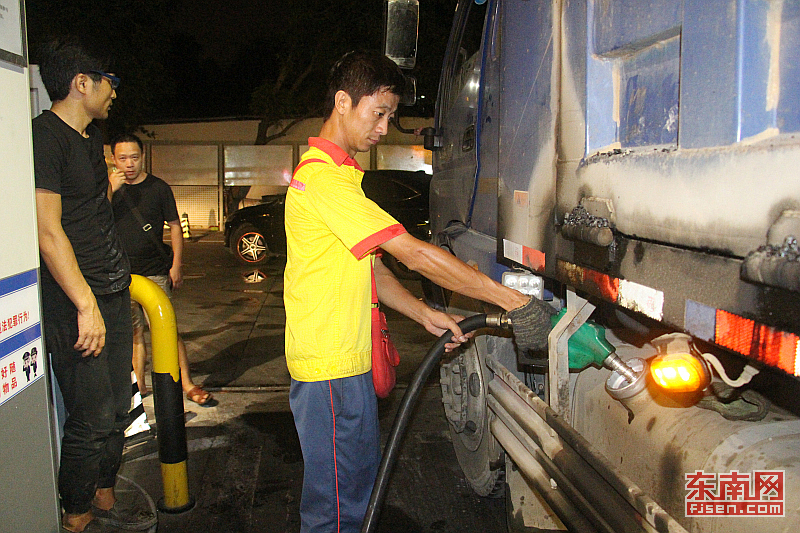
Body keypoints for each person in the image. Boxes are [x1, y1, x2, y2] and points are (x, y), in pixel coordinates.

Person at [283, 50, 552, 533]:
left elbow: (375, 268)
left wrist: (422, 312)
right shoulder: (321, 179)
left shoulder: (342, 176)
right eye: (378, 113)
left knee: (357, 492)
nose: (385, 128)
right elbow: (415, 254)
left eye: (390, 116)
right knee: (334, 511)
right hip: (327, 368)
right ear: (343, 102)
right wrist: (512, 300)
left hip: (349, 360)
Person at [33, 37, 156, 532]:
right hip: (76, 302)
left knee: (117, 410)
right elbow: (48, 229)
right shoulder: (45, 136)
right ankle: (76, 517)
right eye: (110, 82)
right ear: (81, 83)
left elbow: (90, 216)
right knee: (90, 418)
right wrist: (85, 304)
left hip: (110, 291)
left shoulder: (89, 142)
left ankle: (105, 502)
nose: (114, 92)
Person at [108, 133, 214, 406]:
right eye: (122, 158)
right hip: (122, 275)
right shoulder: (107, 190)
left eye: (134, 157)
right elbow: (96, 221)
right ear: (112, 159)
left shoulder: (158, 188)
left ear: (143, 157)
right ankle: (140, 386)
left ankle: (187, 383)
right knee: (133, 334)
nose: (129, 164)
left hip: (154, 271)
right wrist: (109, 190)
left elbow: (176, 226)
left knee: (166, 328)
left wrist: (177, 264)